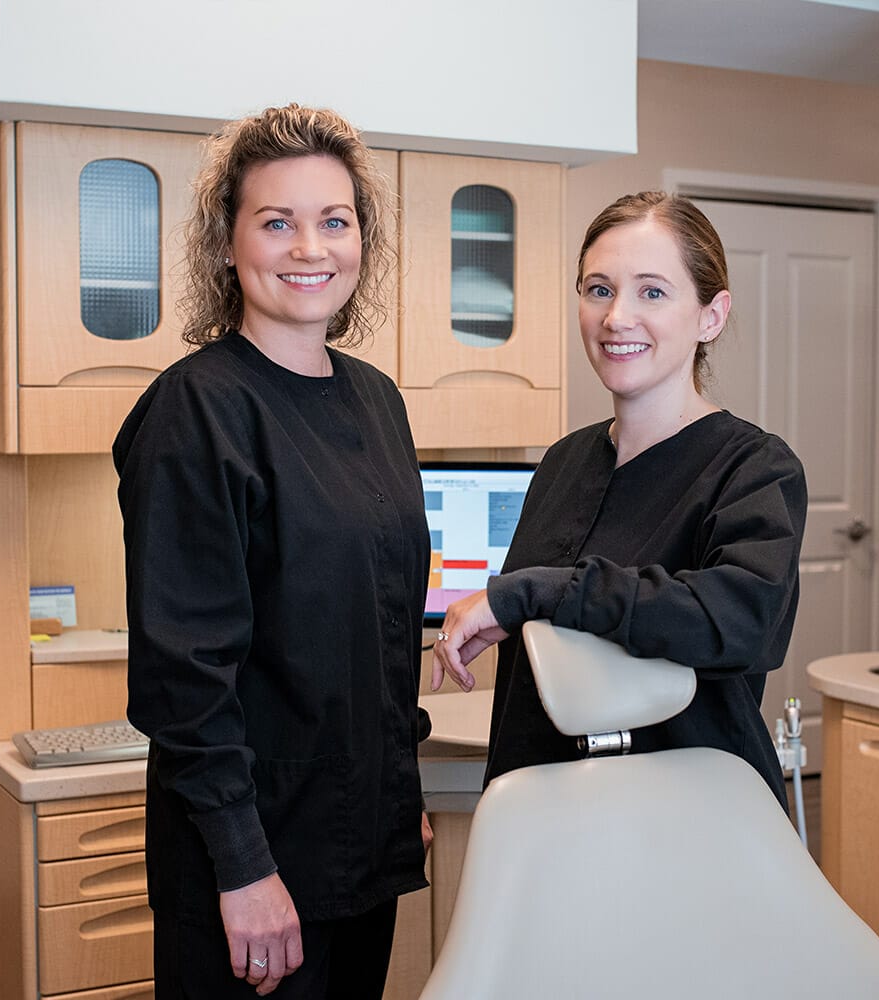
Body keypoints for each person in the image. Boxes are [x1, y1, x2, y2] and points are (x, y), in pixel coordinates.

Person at [114, 104, 432, 999]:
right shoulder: (197, 411)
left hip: (360, 848)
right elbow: (186, 676)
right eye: (277, 221)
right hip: (250, 869)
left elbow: (378, 623)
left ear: (361, 239)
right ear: (227, 241)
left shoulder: (377, 402)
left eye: (334, 221)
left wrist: (395, 797)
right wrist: (244, 870)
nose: (310, 248)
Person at [432, 191, 807, 808]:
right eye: (598, 289)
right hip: (546, 813)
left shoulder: (753, 467)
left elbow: (741, 623)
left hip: (684, 822)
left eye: (652, 292)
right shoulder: (563, 463)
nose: (616, 318)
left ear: (711, 316)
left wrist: (535, 590)